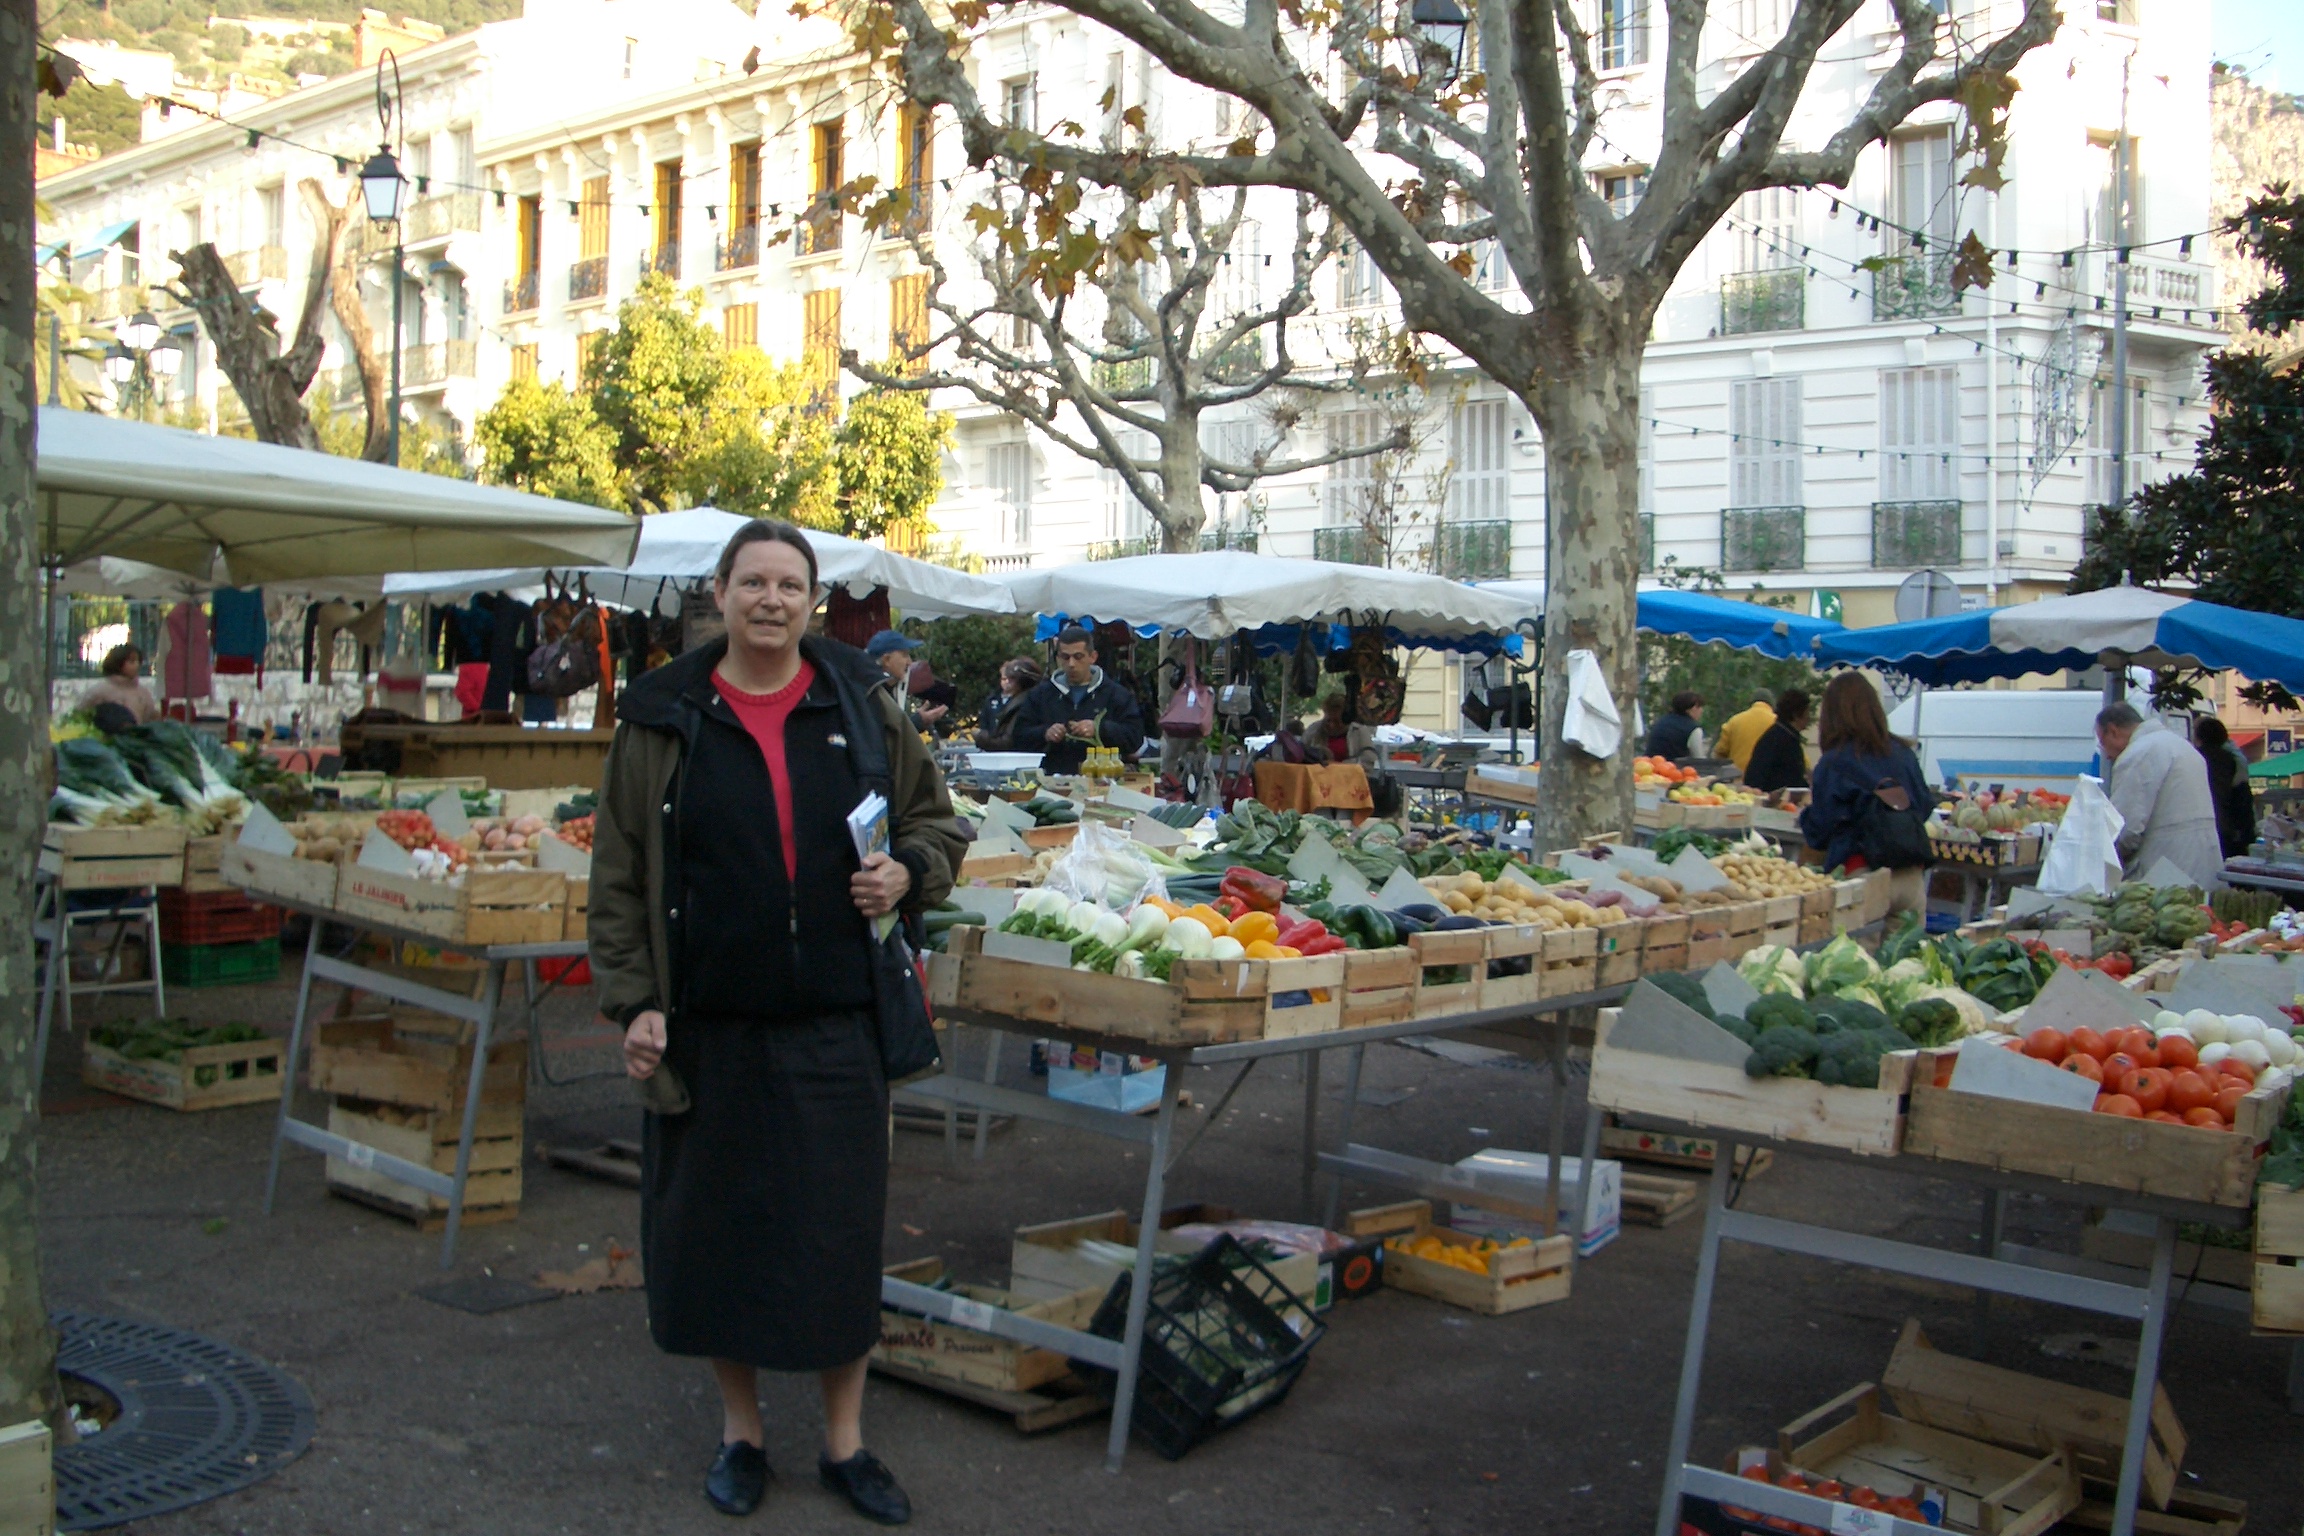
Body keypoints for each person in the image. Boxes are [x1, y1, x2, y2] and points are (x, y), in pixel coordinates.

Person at [589, 520, 966, 1525]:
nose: (769, 599)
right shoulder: (665, 716)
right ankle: (741, 1432)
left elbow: (937, 822)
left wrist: (909, 871)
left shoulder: (860, 701)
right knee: (716, 1235)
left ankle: (846, 1443)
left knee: (835, 1236)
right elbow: (619, 875)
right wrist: (635, 1002)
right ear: (718, 594)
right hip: (710, 1023)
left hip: (833, 1020)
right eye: (751, 581)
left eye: (788, 584)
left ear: (812, 600)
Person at [1799, 673, 1934, 915]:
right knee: (1908, 952)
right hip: (1911, 876)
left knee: (1858, 952)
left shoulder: (1833, 763)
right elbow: (1924, 806)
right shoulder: (1904, 754)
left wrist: (1806, 814)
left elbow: (1820, 832)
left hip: (1862, 874)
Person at [2096, 702, 2224, 889]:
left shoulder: (2138, 754)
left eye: (2103, 743)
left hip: (2167, 870)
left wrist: (2102, 862)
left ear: (2113, 731)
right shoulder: (2181, 745)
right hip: (2204, 863)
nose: (2106, 755)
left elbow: (2124, 829)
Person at [1007, 625, 1147, 775]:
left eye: (1078, 657)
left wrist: (1099, 729)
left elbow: (1135, 738)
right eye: (1065, 657)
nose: (1071, 664)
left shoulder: (1117, 694)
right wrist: (1045, 733)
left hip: (1103, 782)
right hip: (1053, 781)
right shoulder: (1040, 694)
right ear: (1058, 658)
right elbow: (1018, 737)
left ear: (1093, 657)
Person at [2193, 716, 2258, 858]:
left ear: (2198, 737)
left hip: (2200, 830)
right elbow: (2242, 802)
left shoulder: (2193, 758)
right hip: (2228, 831)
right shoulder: (2235, 759)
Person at [865, 630, 946, 735]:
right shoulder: (872, 695)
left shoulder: (884, 690)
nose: (910, 662)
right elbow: (886, 737)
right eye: (904, 655)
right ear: (887, 660)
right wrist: (919, 721)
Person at [1742, 688, 1812, 794]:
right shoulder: (1783, 740)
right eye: (1807, 712)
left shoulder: (1780, 735)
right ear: (1796, 714)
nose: (1809, 717)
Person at [971, 658, 1043, 752]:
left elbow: (1008, 742)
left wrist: (980, 736)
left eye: (1011, 678)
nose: (1007, 682)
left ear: (1021, 681)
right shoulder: (1032, 699)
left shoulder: (1022, 704)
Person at [80, 645, 161, 724]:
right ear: (118, 663)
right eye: (132, 661)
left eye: (138, 661)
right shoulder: (99, 691)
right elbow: (82, 716)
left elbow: (150, 719)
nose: (137, 665)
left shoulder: (143, 693)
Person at [1714, 691, 1777, 774]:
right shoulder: (1778, 722)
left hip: (1738, 779)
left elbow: (1720, 752)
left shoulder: (1734, 721)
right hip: (1769, 780)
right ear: (1771, 705)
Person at [1645, 689, 1705, 761]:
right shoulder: (1694, 730)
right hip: (1672, 769)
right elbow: (1699, 760)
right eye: (1699, 707)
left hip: (1648, 766)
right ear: (1689, 709)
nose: (1701, 710)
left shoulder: (1661, 721)